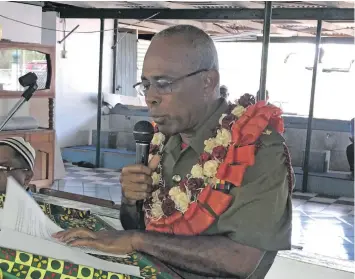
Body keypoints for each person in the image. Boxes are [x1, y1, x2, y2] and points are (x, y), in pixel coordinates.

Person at [54, 25, 293, 279]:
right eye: (146, 84)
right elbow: (140, 225)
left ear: (207, 82)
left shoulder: (255, 147)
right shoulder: (161, 139)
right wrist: (130, 200)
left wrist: (137, 241)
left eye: (164, 84)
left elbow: (240, 259)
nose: (150, 98)